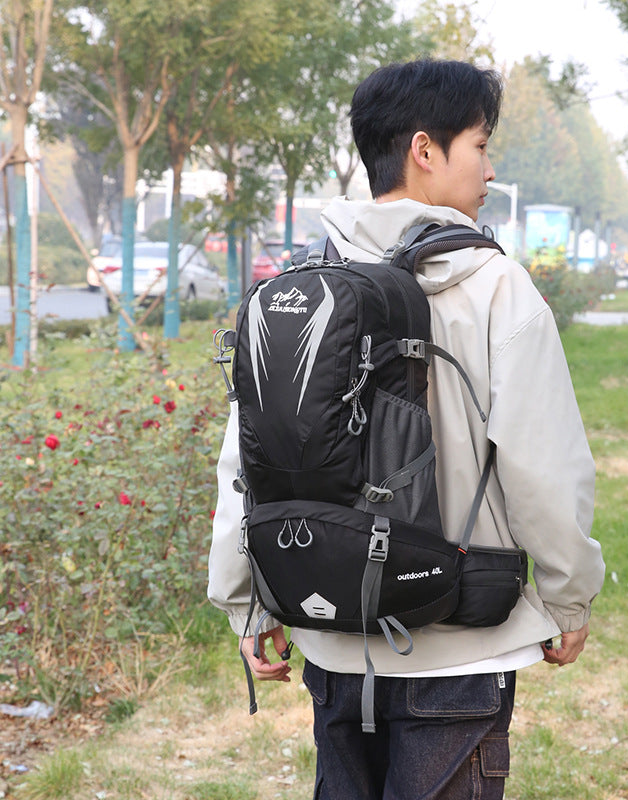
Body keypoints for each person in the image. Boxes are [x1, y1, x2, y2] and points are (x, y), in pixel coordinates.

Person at [208, 59, 604, 800]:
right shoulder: (495, 286)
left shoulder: (302, 287)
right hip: (459, 643)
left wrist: (246, 602)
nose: (490, 169)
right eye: (481, 146)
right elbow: (542, 465)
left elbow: (248, 459)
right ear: (426, 149)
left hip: (333, 633)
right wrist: (568, 596)